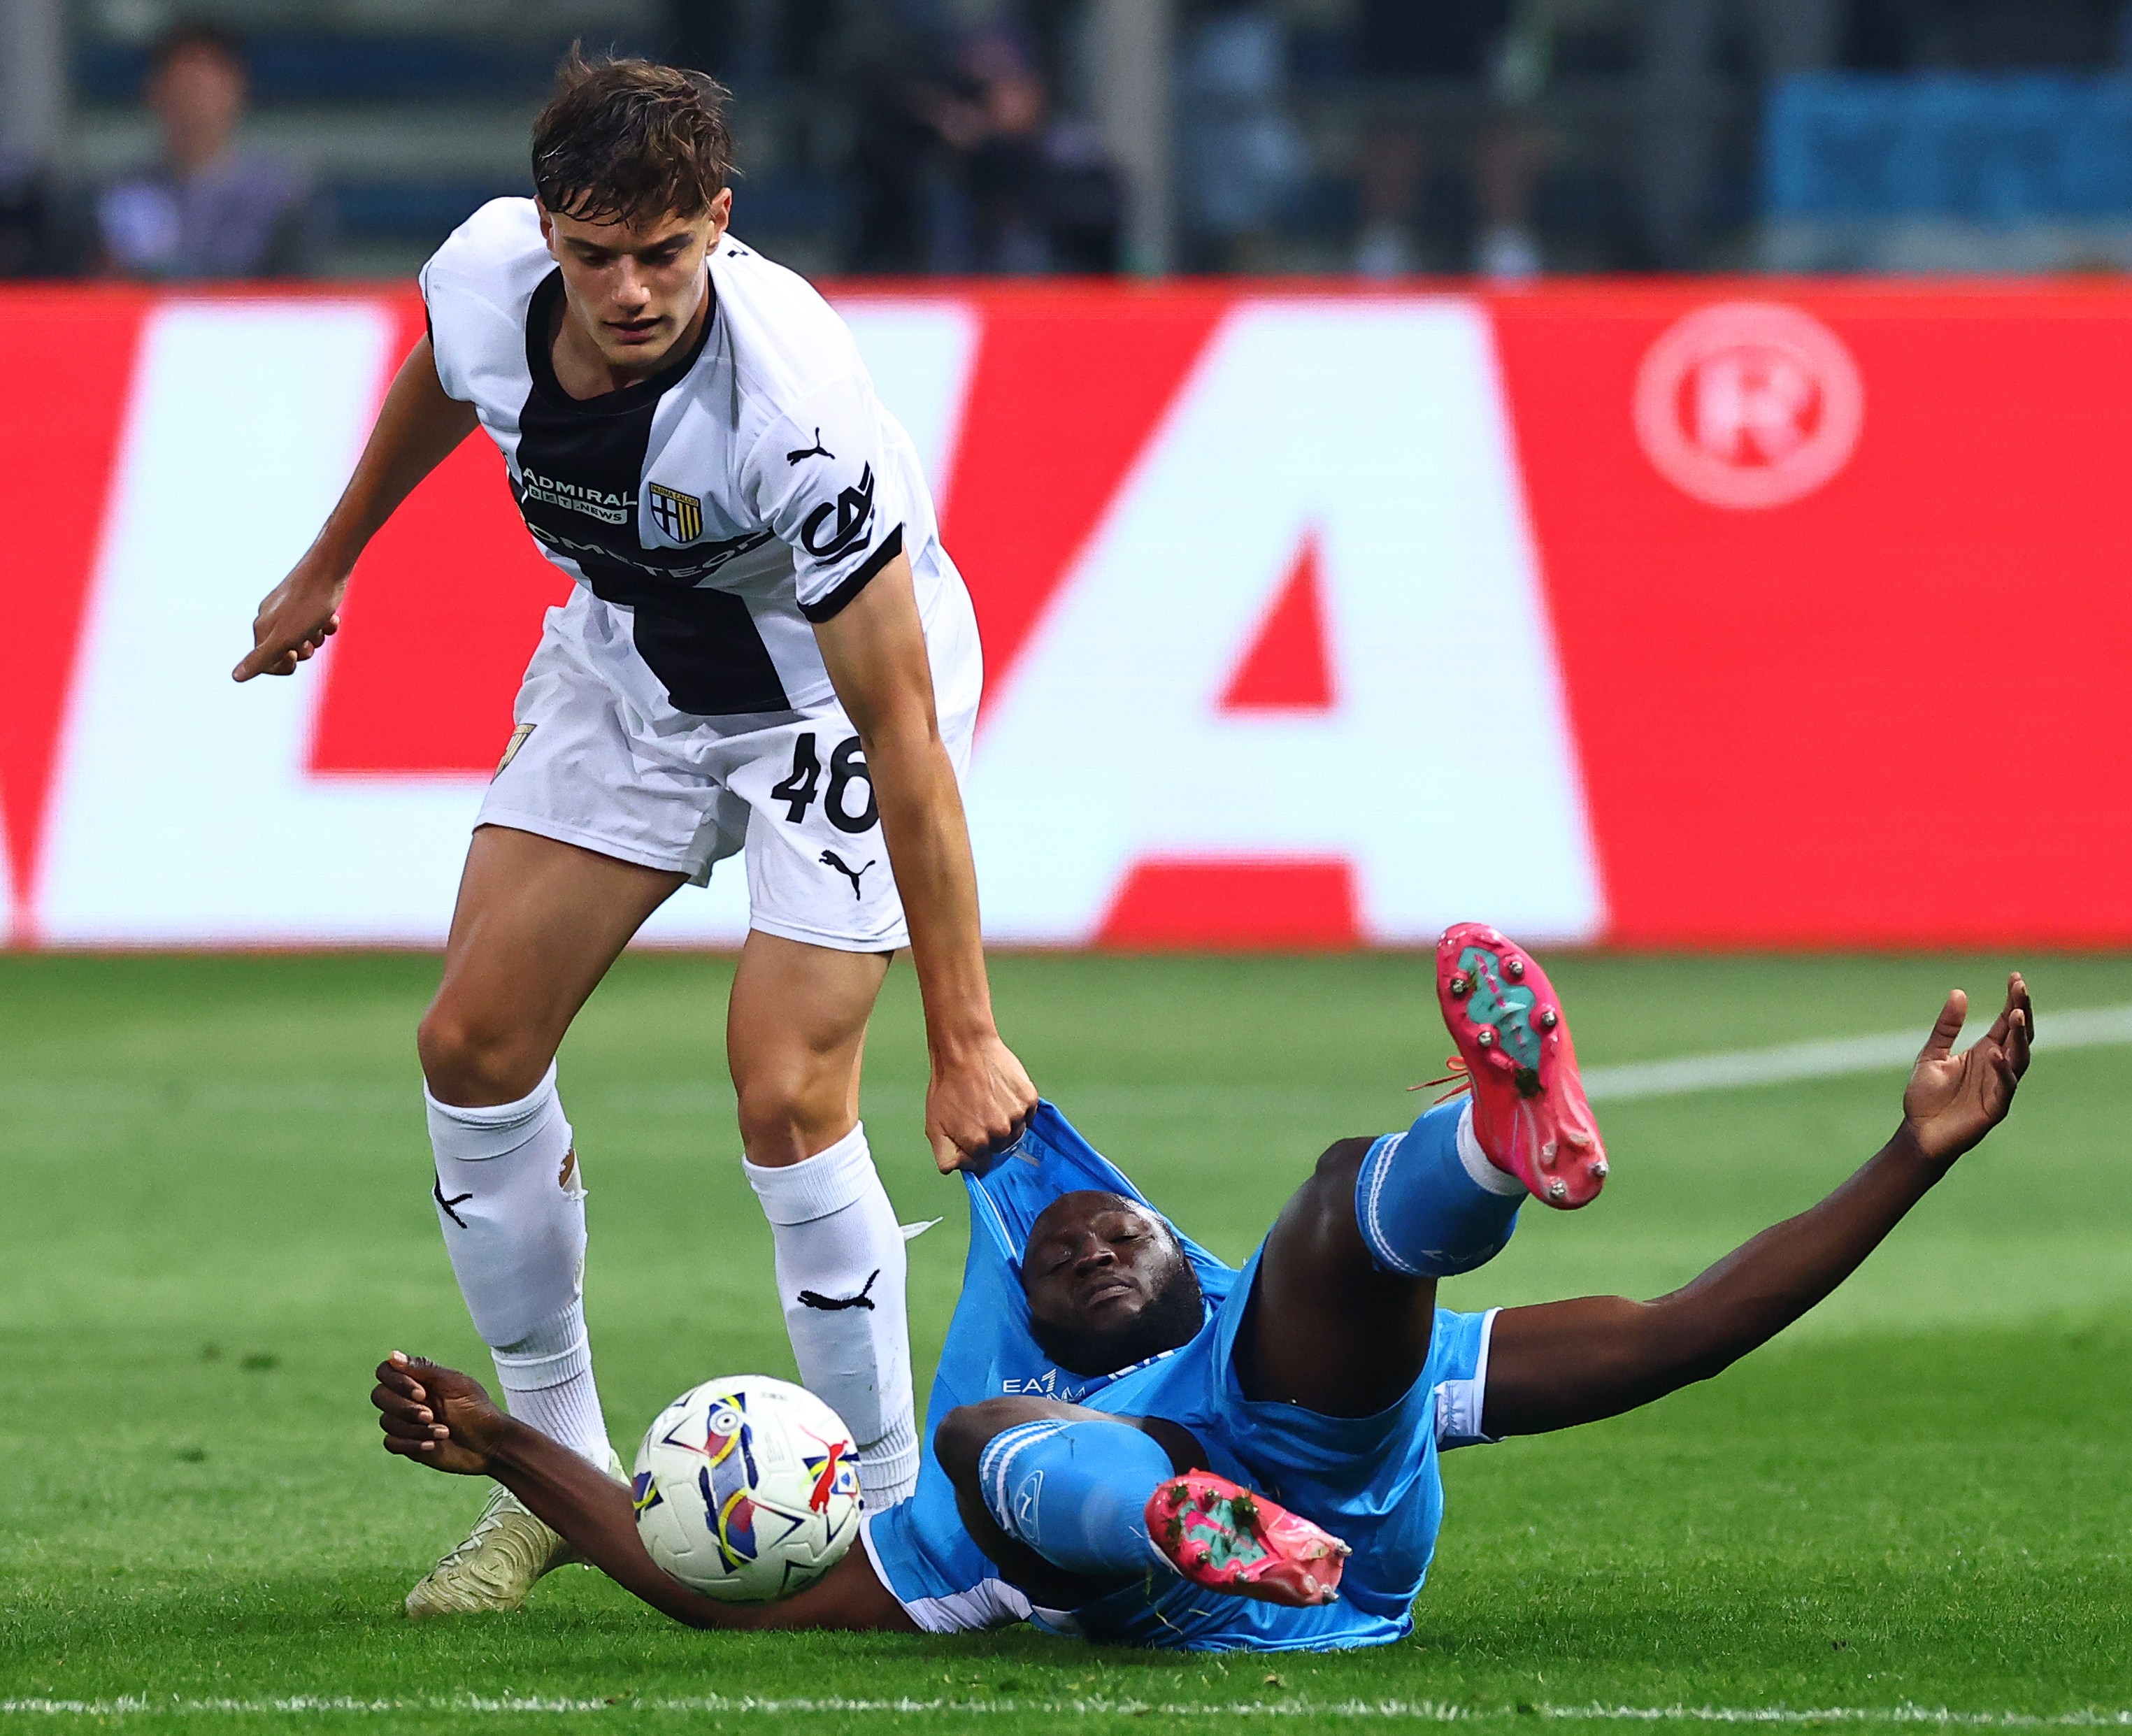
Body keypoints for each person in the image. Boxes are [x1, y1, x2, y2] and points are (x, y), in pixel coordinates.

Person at [242, 54, 1037, 1615]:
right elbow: (448, 373)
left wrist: (966, 1033)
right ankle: (552, 1473)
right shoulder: (483, 274)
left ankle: (891, 1513)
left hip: (825, 705)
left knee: (788, 1085)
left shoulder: (793, 411)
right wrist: (329, 557)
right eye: (592, 252)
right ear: (547, 230)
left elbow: (905, 740)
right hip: (633, 668)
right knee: (472, 1042)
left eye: (663, 254)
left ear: (717, 227)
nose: (625, 289)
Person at [369, 924, 2033, 1647]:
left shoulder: (1246, 1326)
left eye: (1119, 1229)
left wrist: (1910, 1157)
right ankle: (1167, 1514)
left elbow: (1675, 1331)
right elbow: (723, 1600)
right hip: (1209, 1539)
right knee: (984, 1435)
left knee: (1331, 1200)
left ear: (1173, 1251)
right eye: (1059, 1247)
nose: (1088, 1237)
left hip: (1318, 1499)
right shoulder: (1005, 1426)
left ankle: (1496, 1144)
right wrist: (509, 1446)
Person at [96, 22, 327, 281]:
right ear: (154, 92)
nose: (194, 102)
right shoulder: (123, 195)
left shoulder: (282, 199)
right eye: (182, 86)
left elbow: (295, 297)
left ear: (236, 89)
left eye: (205, 87)